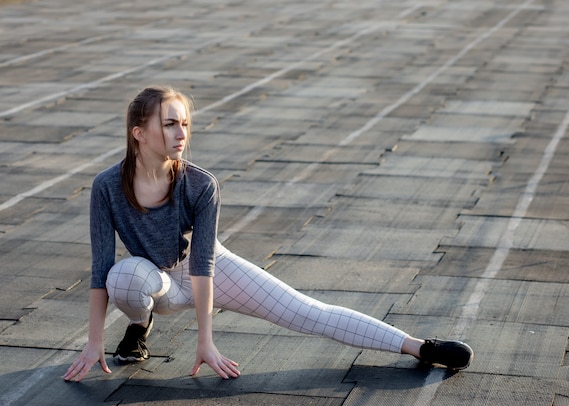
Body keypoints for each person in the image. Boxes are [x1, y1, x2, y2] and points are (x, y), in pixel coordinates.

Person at [63, 86, 473, 382]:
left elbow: (204, 264)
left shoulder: (201, 185)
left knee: (306, 312)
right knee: (123, 276)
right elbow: (100, 268)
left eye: (185, 124)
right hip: (154, 279)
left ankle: (419, 346)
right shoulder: (106, 186)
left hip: (205, 270)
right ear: (139, 132)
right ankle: (139, 323)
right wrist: (93, 342)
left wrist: (205, 341)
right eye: (169, 124)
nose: (181, 133)